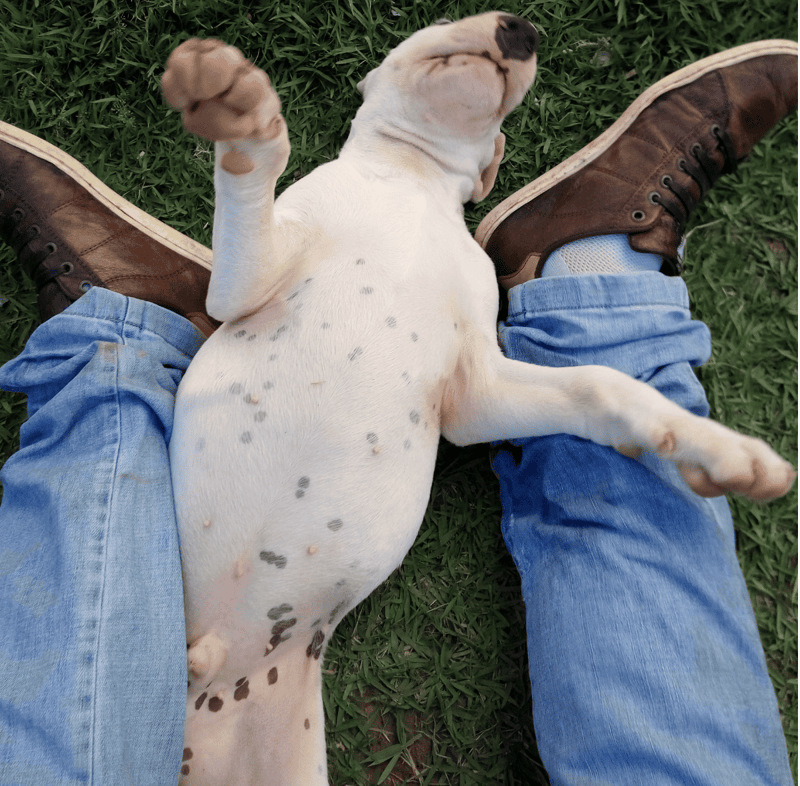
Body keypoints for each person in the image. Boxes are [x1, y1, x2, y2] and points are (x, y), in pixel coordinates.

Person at [0, 41, 795, 786]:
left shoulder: (468, 274)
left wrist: (627, 411)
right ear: (372, 90)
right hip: (270, 644)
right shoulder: (337, 187)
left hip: (246, 636)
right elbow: (238, 290)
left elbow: (471, 401)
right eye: (445, 41)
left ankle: (118, 344)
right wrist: (250, 166)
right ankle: (593, 276)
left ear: (489, 164)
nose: (499, 44)